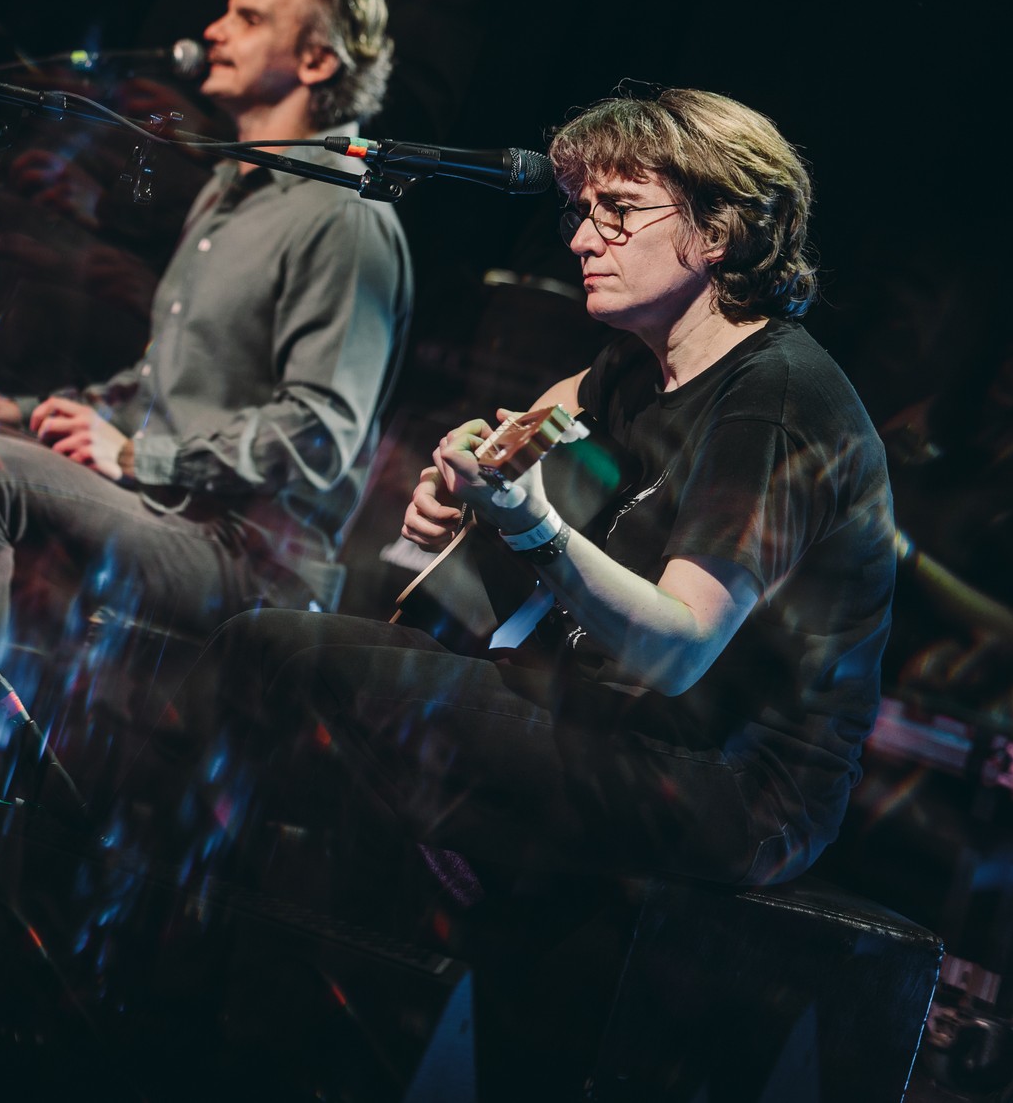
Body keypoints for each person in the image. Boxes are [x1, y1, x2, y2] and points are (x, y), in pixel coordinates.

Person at [161, 88, 893, 890]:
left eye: (618, 209)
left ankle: (164, 907)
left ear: (716, 231)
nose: (582, 237)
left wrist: (528, 518)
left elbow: (680, 649)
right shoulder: (641, 357)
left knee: (286, 665)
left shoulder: (774, 402)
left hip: (730, 785)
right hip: (616, 713)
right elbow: (531, 421)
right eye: (580, 210)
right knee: (258, 648)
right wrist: (463, 472)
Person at [0, 0, 412, 718]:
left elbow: (320, 433)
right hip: (165, 498)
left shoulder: (346, 216)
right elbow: (159, 381)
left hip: (251, 551)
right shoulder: (225, 190)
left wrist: (143, 454)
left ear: (315, 60)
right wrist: (24, 407)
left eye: (249, 17)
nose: (214, 29)